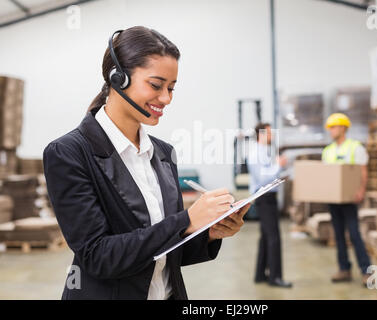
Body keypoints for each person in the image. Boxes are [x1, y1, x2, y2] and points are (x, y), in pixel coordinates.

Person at [43, 26, 250, 300]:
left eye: (171, 88)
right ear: (118, 77)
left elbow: (166, 253)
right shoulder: (68, 153)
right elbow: (98, 256)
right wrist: (187, 220)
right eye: (156, 85)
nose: (166, 98)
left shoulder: (163, 153)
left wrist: (208, 232)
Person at [322, 113, 371, 286]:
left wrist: (360, 190)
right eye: (329, 128)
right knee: (338, 235)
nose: (330, 131)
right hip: (333, 200)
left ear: (343, 128)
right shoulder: (328, 151)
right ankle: (344, 269)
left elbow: (362, 171)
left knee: (355, 234)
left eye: (333, 127)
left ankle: (366, 271)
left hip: (349, 199)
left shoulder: (355, 147)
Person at [247, 123, 292, 288]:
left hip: (267, 197)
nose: (272, 134)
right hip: (265, 198)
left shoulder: (262, 152)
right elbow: (263, 178)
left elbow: (268, 174)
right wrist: (278, 165)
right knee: (274, 237)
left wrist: (280, 172)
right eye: (269, 132)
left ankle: (260, 275)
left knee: (266, 236)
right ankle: (275, 277)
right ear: (261, 134)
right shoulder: (256, 153)